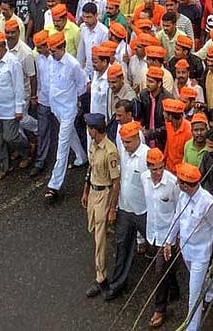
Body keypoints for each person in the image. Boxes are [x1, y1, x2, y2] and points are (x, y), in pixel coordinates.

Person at [164, 163, 213, 331]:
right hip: (186, 249)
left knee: (194, 294)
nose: (177, 184)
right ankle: (212, 293)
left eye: (180, 181)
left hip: (201, 254)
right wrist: (169, 241)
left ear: (186, 184)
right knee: (198, 280)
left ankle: (192, 327)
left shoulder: (208, 203)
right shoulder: (183, 196)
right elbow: (177, 218)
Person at [104, 119, 148, 300]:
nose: (125, 146)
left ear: (138, 138)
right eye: (123, 142)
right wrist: (113, 208)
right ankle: (117, 284)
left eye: (128, 142)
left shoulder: (147, 156)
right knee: (122, 247)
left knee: (158, 247)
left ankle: (171, 286)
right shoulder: (123, 152)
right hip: (125, 209)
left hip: (144, 212)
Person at [44, 31, 88, 201]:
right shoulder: (51, 60)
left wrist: (73, 101)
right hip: (56, 108)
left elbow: (82, 85)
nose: (51, 53)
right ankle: (82, 157)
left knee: (62, 146)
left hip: (68, 110)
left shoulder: (73, 64)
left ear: (61, 47)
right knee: (69, 137)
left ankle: (54, 185)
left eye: (53, 50)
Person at [82, 112, 121, 299]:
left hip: (105, 194)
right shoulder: (94, 145)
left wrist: (112, 208)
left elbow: (115, 182)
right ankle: (100, 271)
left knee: (100, 239)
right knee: (95, 232)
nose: (88, 131)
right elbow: (90, 168)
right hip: (94, 192)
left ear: (95, 130)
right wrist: (85, 190)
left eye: (89, 128)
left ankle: (101, 278)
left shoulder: (110, 151)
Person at [141, 147, 181, 327]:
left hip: (168, 235)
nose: (157, 172)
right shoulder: (144, 178)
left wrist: (176, 236)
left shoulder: (173, 183)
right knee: (166, 268)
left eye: (160, 168)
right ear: (148, 167)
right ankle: (174, 289)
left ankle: (160, 309)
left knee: (159, 272)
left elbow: (180, 210)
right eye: (153, 168)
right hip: (153, 232)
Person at [0, 32, 30, 180]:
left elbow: (18, 87)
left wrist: (18, 108)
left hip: (9, 109)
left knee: (10, 137)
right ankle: (5, 166)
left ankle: (27, 150)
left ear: (3, 47)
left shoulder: (13, 62)